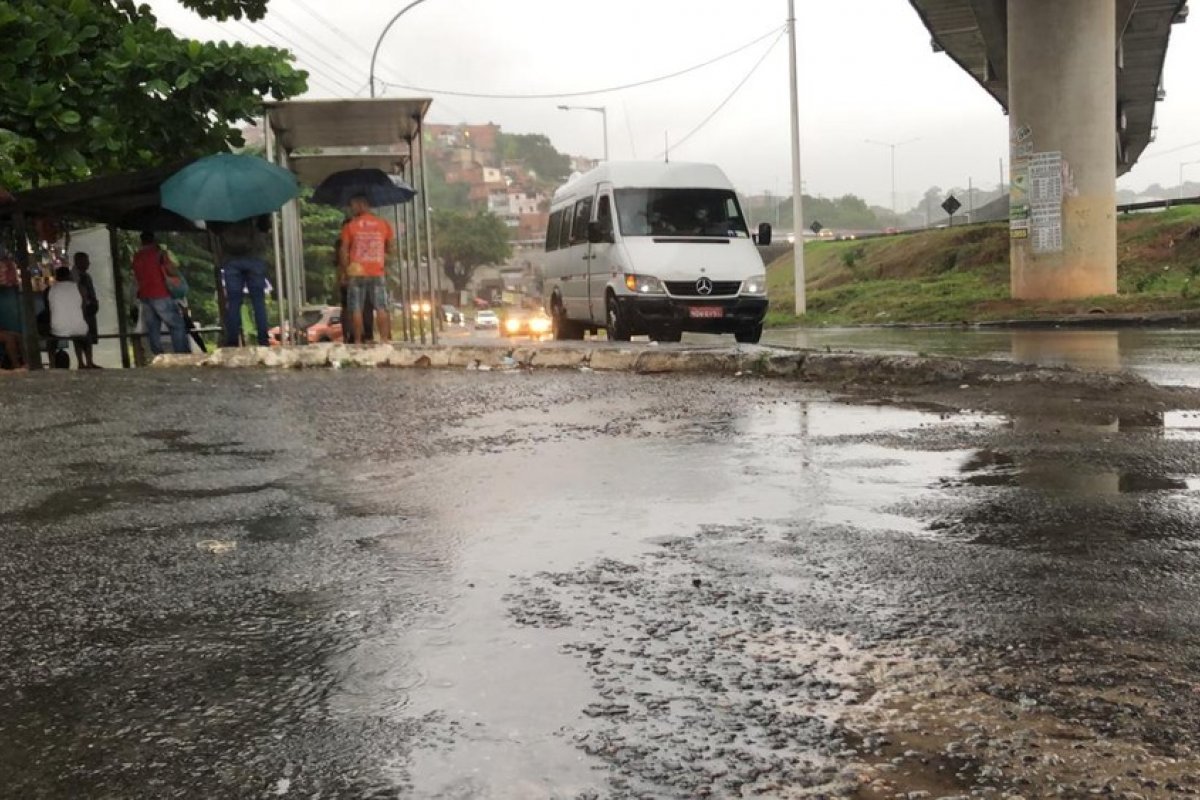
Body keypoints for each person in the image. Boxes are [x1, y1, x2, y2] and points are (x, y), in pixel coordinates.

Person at [339, 196, 394, 343]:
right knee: (381, 307)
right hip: (377, 271)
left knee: (356, 308)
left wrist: (345, 272)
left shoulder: (350, 225)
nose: (352, 209)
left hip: (356, 272)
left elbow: (343, 250)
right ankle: (384, 340)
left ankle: (357, 341)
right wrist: (381, 259)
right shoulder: (383, 224)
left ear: (361, 204)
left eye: (353, 205)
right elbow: (389, 247)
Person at [213, 215, 270, 347]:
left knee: (234, 302)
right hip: (255, 258)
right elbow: (265, 227)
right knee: (258, 301)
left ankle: (232, 342)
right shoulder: (257, 204)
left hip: (231, 260)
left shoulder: (222, 206)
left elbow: (215, 229)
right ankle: (263, 341)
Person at [131, 231, 189, 355]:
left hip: (145, 295)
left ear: (141, 241)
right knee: (176, 325)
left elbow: (136, 277)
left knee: (153, 328)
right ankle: (181, 354)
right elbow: (172, 269)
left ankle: (158, 355)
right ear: (154, 240)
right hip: (161, 293)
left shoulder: (137, 256)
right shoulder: (159, 254)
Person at [47, 266, 94, 368]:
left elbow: (49, 308)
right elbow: (84, 307)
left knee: (51, 340)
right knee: (82, 333)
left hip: (58, 328)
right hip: (79, 327)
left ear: (56, 277)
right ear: (69, 275)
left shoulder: (50, 289)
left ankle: (52, 364)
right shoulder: (79, 287)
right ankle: (87, 362)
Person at [335, 228, 373, 343]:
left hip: (356, 277)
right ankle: (356, 334)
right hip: (355, 277)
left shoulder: (345, 243)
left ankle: (358, 335)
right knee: (354, 307)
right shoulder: (354, 243)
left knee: (355, 307)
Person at [73, 252, 100, 360]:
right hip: (82, 309)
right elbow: (82, 293)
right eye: (86, 261)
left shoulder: (85, 275)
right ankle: (84, 361)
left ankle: (88, 360)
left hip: (88, 309)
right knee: (82, 336)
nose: (89, 263)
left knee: (88, 335)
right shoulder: (77, 276)